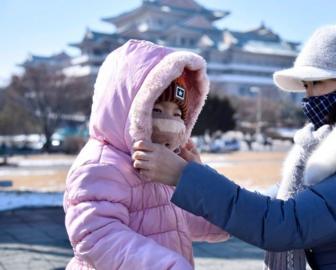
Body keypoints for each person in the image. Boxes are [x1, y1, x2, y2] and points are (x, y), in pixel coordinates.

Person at [133, 6, 336, 270]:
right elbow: (282, 209)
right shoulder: (335, 146)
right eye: (304, 86)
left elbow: (287, 225)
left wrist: (184, 176)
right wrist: (200, 174)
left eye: (316, 83)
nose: (307, 97)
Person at [63, 40, 228, 270]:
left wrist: (199, 181)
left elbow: (191, 218)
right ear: (128, 109)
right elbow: (97, 237)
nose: (169, 123)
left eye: (177, 113)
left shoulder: (165, 163)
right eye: (157, 110)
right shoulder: (100, 165)